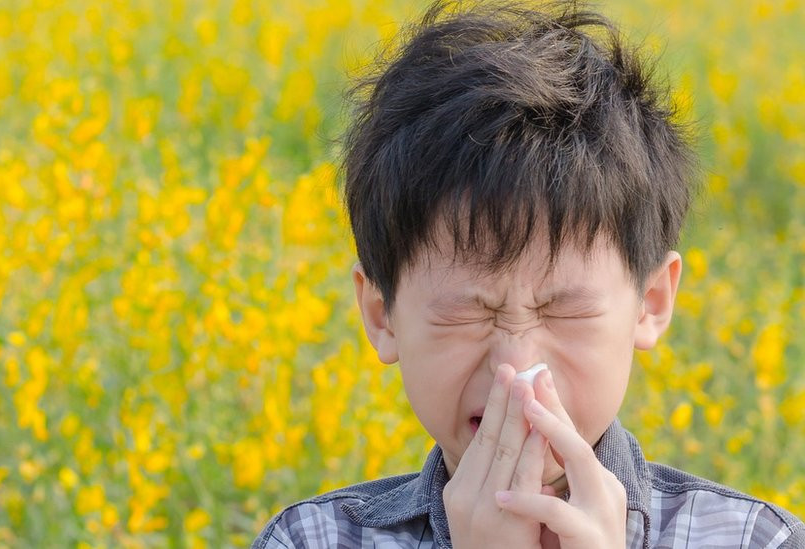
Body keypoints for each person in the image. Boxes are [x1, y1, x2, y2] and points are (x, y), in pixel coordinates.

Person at [252, 0, 805, 546]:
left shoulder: (755, 540)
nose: (517, 372)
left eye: (564, 309)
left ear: (651, 301)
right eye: (467, 312)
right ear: (381, 315)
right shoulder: (313, 539)